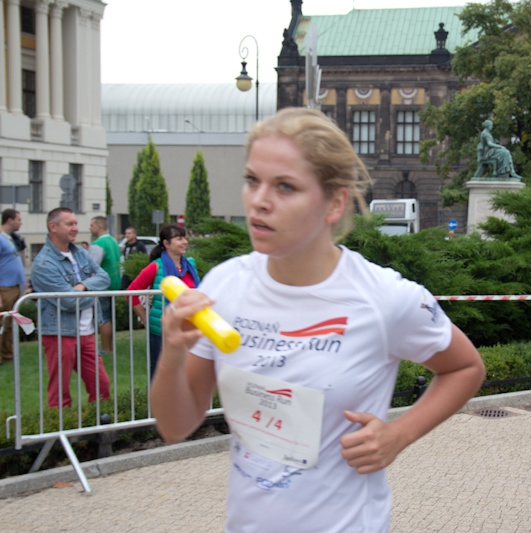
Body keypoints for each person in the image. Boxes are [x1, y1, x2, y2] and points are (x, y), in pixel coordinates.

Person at [151, 108, 486, 533]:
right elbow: (175, 426)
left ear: (335, 202)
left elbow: (466, 367)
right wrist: (173, 355)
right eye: (253, 180)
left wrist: (399, 435)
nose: (260, 199)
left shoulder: (382, 297)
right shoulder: (226, 286)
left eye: (285, 186)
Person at [30, 207, 111, 409]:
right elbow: (68, 302)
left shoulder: (81, 253)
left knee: (101, 385)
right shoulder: (43, 264)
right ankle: (60, 431)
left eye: (76, 223)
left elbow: (104, 278)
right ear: (53, 227)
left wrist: (83, 286)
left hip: (86, 332)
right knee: (60, 392)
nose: (75, 228)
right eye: (70, 224)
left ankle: (98, 428)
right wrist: (91, 294)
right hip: (59, 333)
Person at [127, 224, 199, 379]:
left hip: (187, 329)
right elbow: (131, 292)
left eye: (184, 238)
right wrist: (146, 319)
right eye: (179, 239)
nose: (185, 242)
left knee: (186, 375)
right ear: (166, 243)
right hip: (161, 332)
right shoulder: (155, 266)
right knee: (161, 375)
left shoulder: (190, 265)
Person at [88, 216, 122, 355]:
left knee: (103, 318)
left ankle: (106, 349)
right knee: (108, 316)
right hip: (114, 284)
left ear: (99, 226)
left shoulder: (99, 243)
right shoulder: (113, 241)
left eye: (91, 225)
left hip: (102, 286)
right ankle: (109, 347)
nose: (90, 228)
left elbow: (91, 266)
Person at [0, 209, 27, 366]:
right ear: (9, 220)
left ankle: (7, 353)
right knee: (2, 322)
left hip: (14, 285)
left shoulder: (10, 238)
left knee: (9, 322)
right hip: (4, 287)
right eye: (18, 219)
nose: (20, 222)